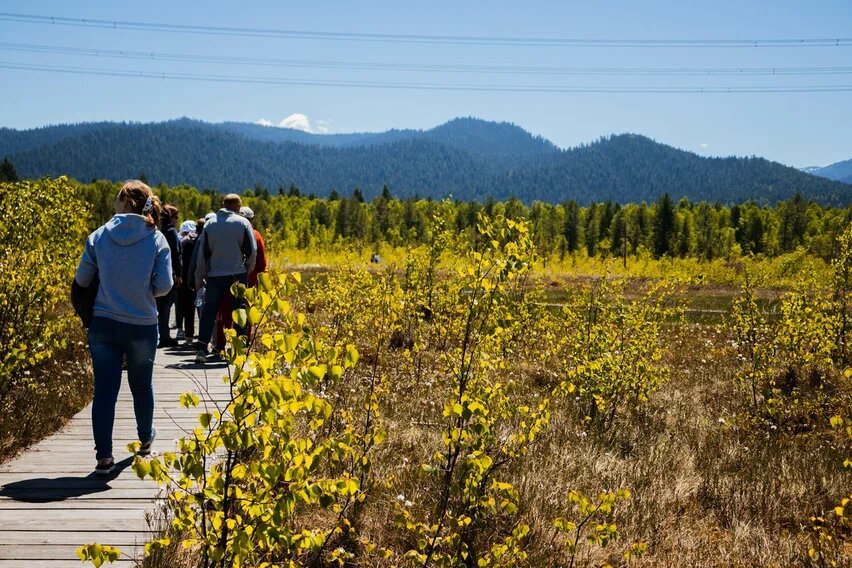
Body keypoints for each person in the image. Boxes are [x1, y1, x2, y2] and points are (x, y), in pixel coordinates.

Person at [74, 180, 173, 475]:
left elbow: (81, 280)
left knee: (105, 391)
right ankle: (145, 440)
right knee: (142, 386)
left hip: (104, 323)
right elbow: (165, 285)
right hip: (142, 323)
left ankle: (104, 456)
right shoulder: (156, 239)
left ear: (122, 202)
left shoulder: (99, 236)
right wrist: (142, 293)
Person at [193, 194, 256, 364]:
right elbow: (252, 251)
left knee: (209, 312)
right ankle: (240, 349)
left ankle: (201, 348)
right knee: (240, 312)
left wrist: (200, 278)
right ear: (237, 205)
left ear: (224, 205)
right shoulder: (243, 223)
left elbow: (203, 255)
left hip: (215, 275)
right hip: (237, 274)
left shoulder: (210, 224)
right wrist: (247, 270)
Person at [213, 206, 268, 349]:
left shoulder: (228, 232)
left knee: (224, 311)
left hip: (227, 277)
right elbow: (262, 264)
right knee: (244, 314)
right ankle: (242, 345)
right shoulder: (256, 235)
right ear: (252, 220)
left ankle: (220, 344)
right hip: (248, 282)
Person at [156, 205, 182, 347]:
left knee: (159, 305)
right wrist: (178, 274)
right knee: (166, 305)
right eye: (175, 217)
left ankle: (161, 333)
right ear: (170, 217)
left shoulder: (159, 231)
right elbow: (176, 254)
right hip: (169, 272)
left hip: (156, 271)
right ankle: (164, 336)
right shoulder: (171, 232)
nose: (177, 220)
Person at [176, 217, 204, 342]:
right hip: (200, 279)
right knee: (201, 306)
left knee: (188, 309)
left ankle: (189, 335)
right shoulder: (204, 240)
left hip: (187, 278)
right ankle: (202, 335)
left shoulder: (186, 241)